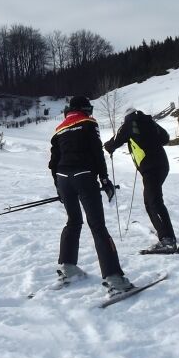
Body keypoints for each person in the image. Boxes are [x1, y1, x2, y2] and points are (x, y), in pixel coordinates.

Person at [48, 95, 131, 297]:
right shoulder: (88, 123)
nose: (90, 112)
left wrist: (58, 187)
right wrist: (104, 179)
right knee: (97, 226)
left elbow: (53, 161)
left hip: (63, 178)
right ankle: (115, 280)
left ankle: (68, 268)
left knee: (73, 221)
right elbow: (97, 152)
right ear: (84, 109)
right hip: (84, 176)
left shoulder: (60, 128)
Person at [104, 107, 177, 253]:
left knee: (153, 202)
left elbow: (115, 141)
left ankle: (167, 239)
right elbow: (165, 138)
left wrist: (107, 146)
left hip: (150, 168)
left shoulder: (129, 124)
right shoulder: (150, 122)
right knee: (150, 201)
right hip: (162, 165)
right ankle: (165, 233)